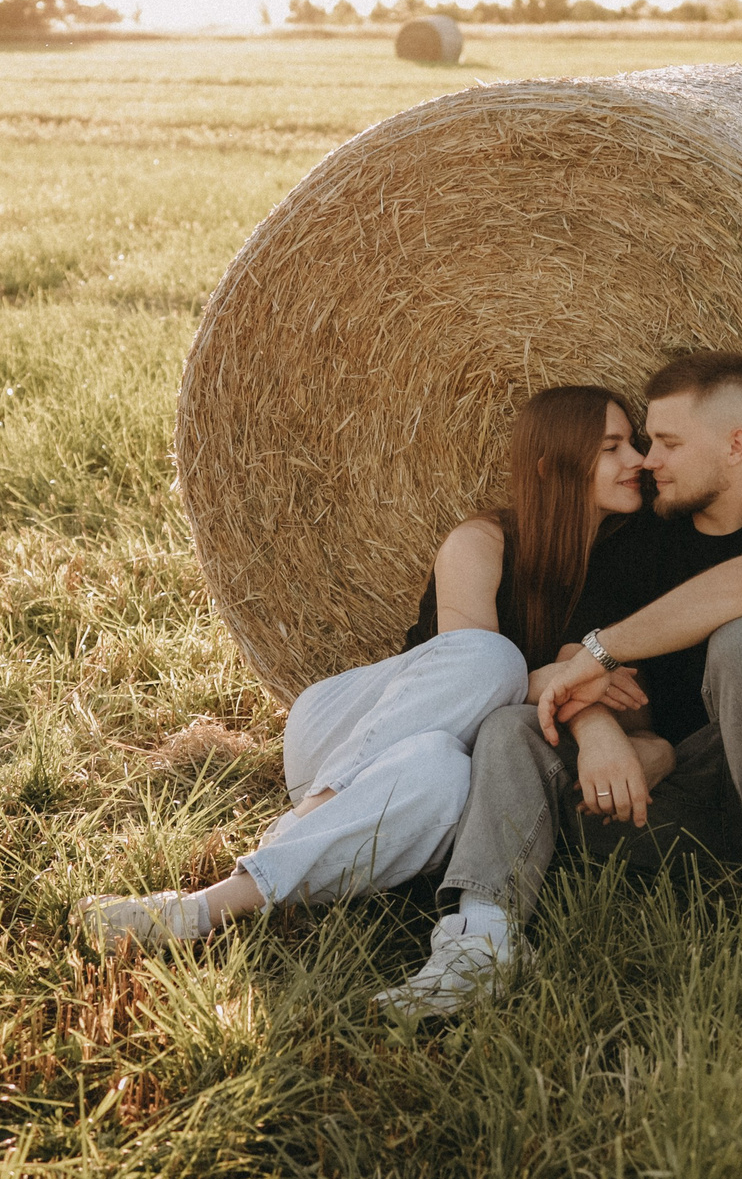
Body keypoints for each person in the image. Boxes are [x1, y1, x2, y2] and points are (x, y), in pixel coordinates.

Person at [376, 350, 742, 1019]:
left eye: (668, 442)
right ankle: (482, 941)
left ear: (736, 445)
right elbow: (579, 670)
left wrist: (604, 649)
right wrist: (610, 736)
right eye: (645, 442)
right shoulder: (638, 542)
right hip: (702, 799)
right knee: (513, 727)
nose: (649, 460)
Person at [76, 384, 668, 946]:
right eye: (612, 448)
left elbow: (631, 701)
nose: (638, 458)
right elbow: (476, 673)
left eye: (634, 442)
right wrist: (575, 683)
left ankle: (204, 908)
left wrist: (578, 688)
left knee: (443, 775)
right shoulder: (482, 541)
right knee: (492, 658)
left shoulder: (628, 562)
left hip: (420, 762)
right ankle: (311, 815)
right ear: (551, 466)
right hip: (341, 735)